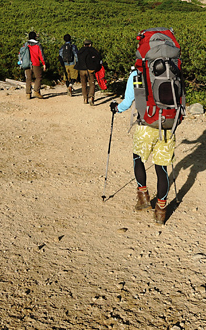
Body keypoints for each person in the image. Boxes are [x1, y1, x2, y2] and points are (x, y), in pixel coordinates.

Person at [110, 67, 175, 226]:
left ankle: (143, 196)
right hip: (167, 124)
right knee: (162, 168)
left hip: (146, 124)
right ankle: (160, 210)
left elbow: (127, 101)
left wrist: (116, 108)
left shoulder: (137, 73)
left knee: (138, 158)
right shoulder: (172, 70)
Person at [75, 39, 102, 106]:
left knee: (83, 85)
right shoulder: (93, 50)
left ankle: (85, 98)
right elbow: (98, 59)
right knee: (92, 84)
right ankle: (91, 97)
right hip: (90, 70)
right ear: (90, 44)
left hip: (81, 70)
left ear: (84, 44)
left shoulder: (80, 51)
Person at [23, 31, 47, 99]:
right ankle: (36, 91)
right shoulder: (38, 44)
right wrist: (44, 63)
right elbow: (41, 54)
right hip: (36, 63)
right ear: (35, 37)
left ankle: (28, 93)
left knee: (28, 78)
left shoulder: (25, 44)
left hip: (27, 63)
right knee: (38, 77)